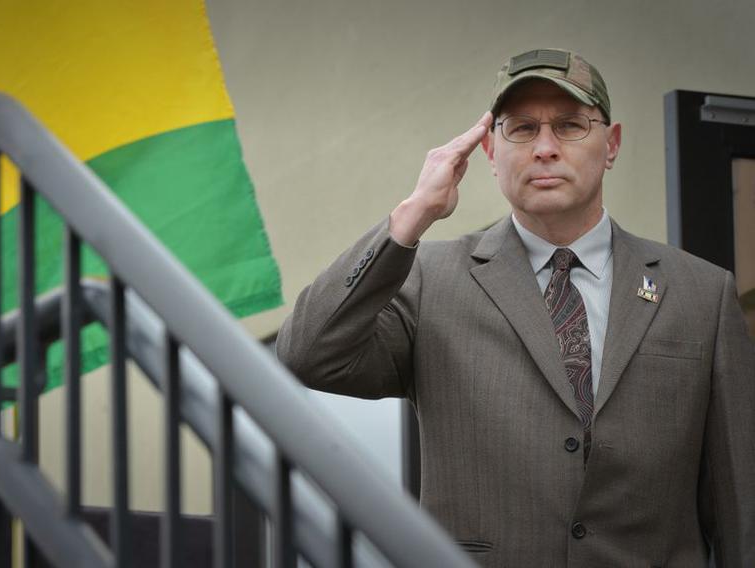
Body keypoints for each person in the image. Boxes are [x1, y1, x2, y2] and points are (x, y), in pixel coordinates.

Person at [276, 48, 755, 566]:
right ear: (489, 150)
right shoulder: (430, 279)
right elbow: (308, 354)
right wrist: (412, 215)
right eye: (522, 129)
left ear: (611, 144)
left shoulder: (702, 293)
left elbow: (740, 505)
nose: (544, 148)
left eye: (571, 125)